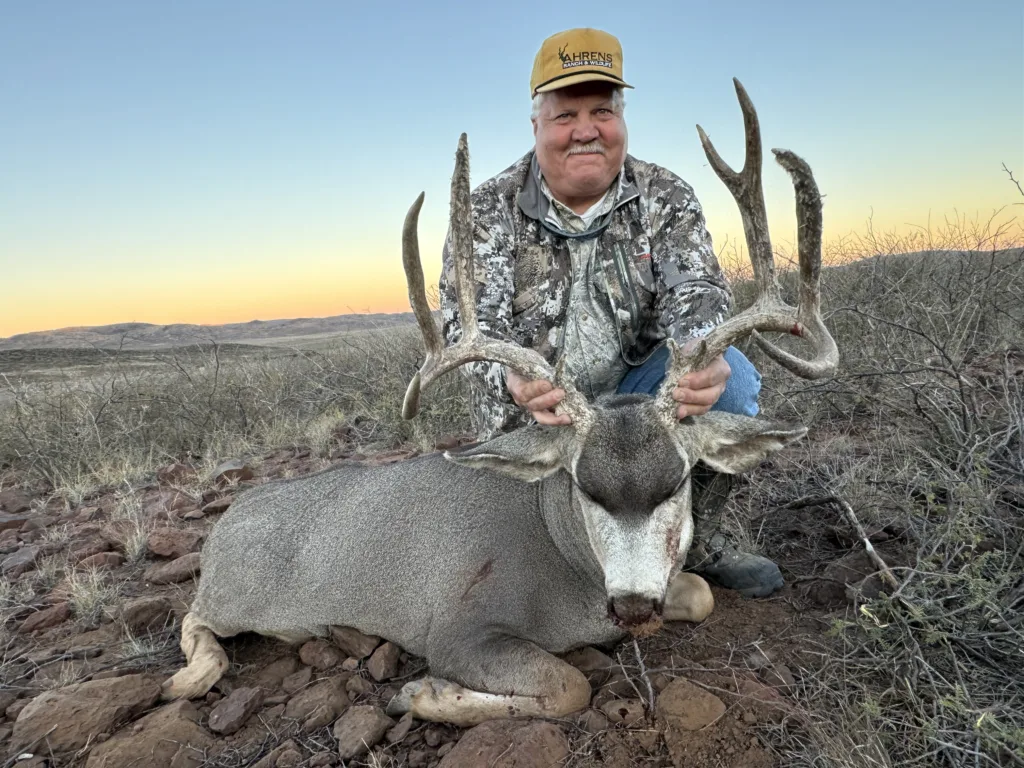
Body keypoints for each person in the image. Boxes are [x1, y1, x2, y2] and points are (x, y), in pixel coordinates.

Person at [437, 27, 783, 598]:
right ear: (537, 125)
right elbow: (467, 324)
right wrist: (509, 373)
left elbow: (696, 287)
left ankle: (699, 543)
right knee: (530, 555)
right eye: (565, 114)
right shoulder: (486, 212)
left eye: (602, 110)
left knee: (736, 381)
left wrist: (702, 353)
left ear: (621, 118)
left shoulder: (665, 195)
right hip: (542, 412)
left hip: (639, 402)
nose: (585, 131)